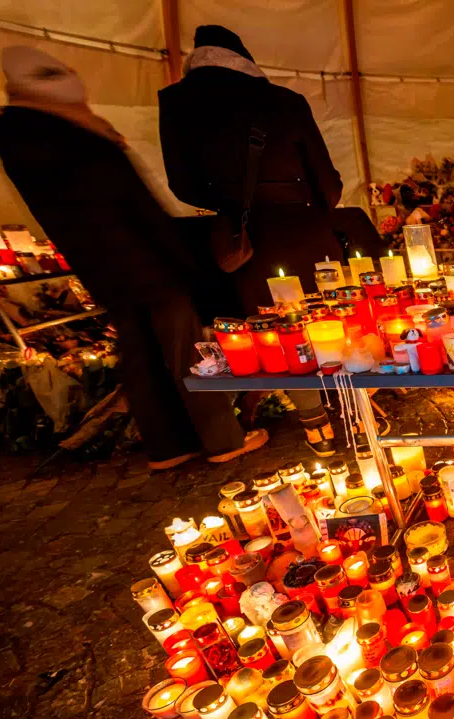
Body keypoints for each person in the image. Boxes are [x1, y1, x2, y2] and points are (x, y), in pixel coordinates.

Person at [0, 46, 267, 471]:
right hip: (146, 260)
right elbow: (136, 205)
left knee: (140, 356)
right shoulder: (78, 134)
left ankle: (169, 447)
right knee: (188, 353)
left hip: (99, 266)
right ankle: (223, 439)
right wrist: (183, 259)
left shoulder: (18, 137)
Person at [159, 24, 342, 456]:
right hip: (305, 229)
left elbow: (182, 185)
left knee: (277, 332)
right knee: (329, 316)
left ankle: (317, 426)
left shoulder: (177, 103)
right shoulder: (284, 102)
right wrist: (314, 208)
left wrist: (232, 205)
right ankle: (351, 406)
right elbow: (327, 182)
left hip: (245, 239)